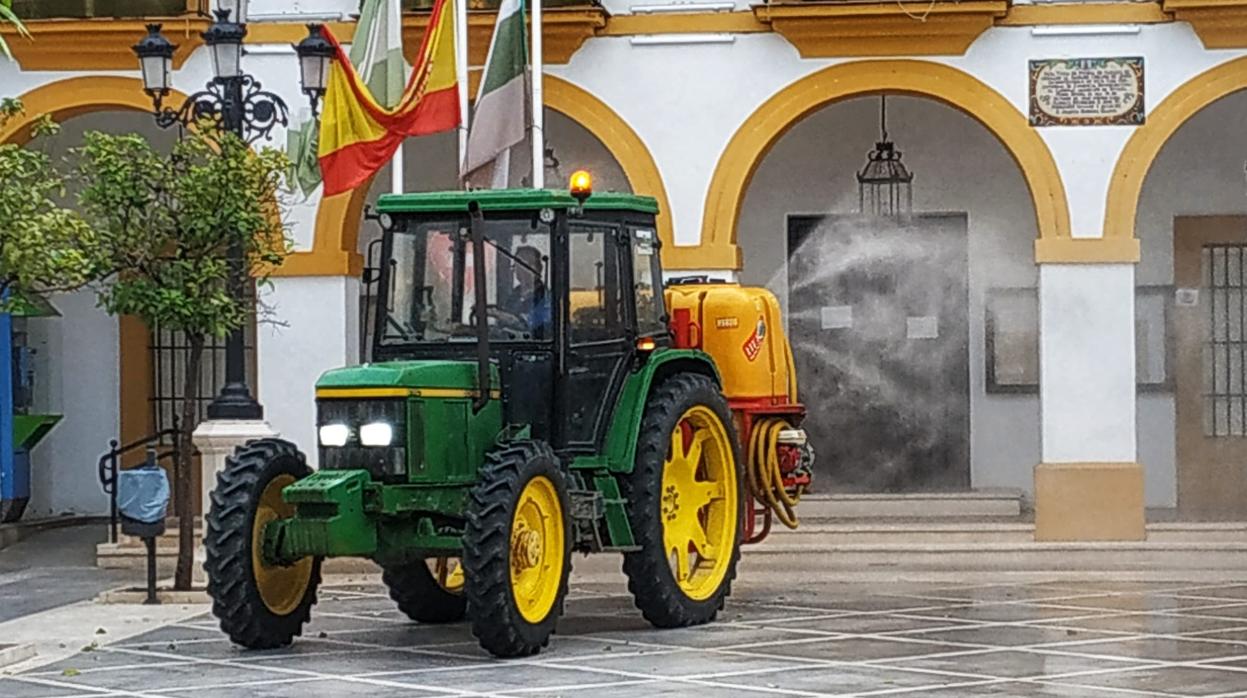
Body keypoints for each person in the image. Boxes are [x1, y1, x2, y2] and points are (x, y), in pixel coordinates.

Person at [499, 245, 551, 336]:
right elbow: (503, 320)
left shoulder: (546, 297)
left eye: (524, 264)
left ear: (537, 268)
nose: (519, 269)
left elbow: (527, 323)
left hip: (534, 343)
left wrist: (495, 313)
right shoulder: (514, 295)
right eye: (517, 264)